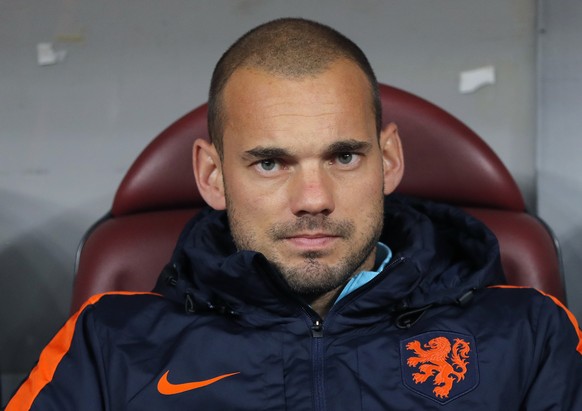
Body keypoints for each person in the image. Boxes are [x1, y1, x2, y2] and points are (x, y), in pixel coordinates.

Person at [7, 18, 582, 410]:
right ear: (212, 175)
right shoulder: (107, 341)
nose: (313, 198)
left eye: (345, 156)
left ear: (388, 160)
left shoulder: (530, 333)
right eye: (270, 163)